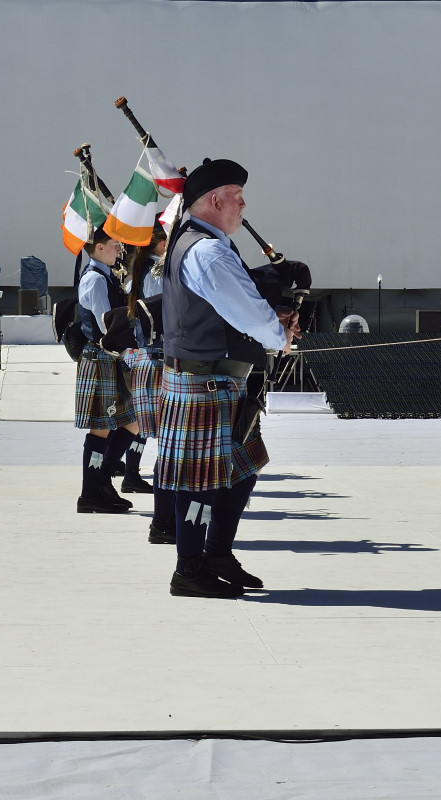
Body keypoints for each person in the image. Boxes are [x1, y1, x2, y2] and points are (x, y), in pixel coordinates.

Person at [156, 159, 297, 598]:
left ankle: (216, 553)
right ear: (214, 200)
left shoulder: (199, 242)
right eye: (236, 197)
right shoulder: (207, 250)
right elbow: (245, 311)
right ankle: (189, 569)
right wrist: (279, 334)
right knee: (201, 480)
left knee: (243, 470)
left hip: (214, 380)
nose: (243, 204)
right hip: (204, 382)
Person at [74, 225, 140, 514]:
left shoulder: (105, 276)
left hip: (107, 358)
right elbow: (105, 325)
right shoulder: (95, 280)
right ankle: (91, 493)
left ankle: (101, 483)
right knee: (100, 428)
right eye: (115, 245)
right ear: (99, 247)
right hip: (100, 357)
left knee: (132, 421)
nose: (119, 250)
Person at [121, 220, 176, 544]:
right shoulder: (155, 275)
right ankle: (162, 522)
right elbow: (166, 316)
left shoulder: (141, 274)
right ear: (158, 244)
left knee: (162, 443)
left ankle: (163, 519)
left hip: (148, 360)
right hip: (159, 360)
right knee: (169, 446)